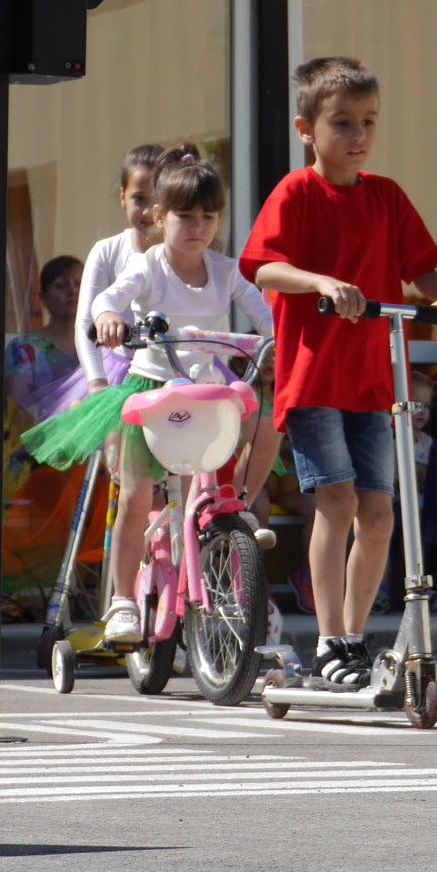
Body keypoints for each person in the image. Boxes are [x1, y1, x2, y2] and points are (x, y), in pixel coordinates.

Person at [241, 56, 437, 688]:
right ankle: (328, 642)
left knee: (380, 516)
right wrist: (321, 282)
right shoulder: (297, 193)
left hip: (375, 382)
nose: (358, 136)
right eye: (342, 123)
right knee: (335, 504)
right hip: (314, 380)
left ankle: (355, 639)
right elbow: (261, 266)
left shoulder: (388, 196)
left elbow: (423, 266)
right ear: (306, 129)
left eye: (368, 122)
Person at [27, 146, 277, 645]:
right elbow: (106, 300)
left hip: (206, 388)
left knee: (266, 421)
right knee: (137, 496)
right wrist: (108, 317)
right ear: (160, 217)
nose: (197, 227)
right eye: (185, 216)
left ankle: (239, 504)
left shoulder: (224, 269)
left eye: (209, 216)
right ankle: (122, 601)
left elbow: (264, 313)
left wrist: (276, 343)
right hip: (151, 391)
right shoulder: (147, 266)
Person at [75, 143, 166, 394]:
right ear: (123, 196)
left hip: (176, 373)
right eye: (139, 199)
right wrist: (96, 381)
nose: (148, 211)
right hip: (119, 376)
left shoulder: (184, 255)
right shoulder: (107, 251)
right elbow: (85, 324)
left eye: (158, 200)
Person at [7, 255, 89, 421]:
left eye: (79, 284)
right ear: (43, 298)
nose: (72, 291)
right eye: (61, 286)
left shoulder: (102, 345)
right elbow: (17, 409)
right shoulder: (24, 348)